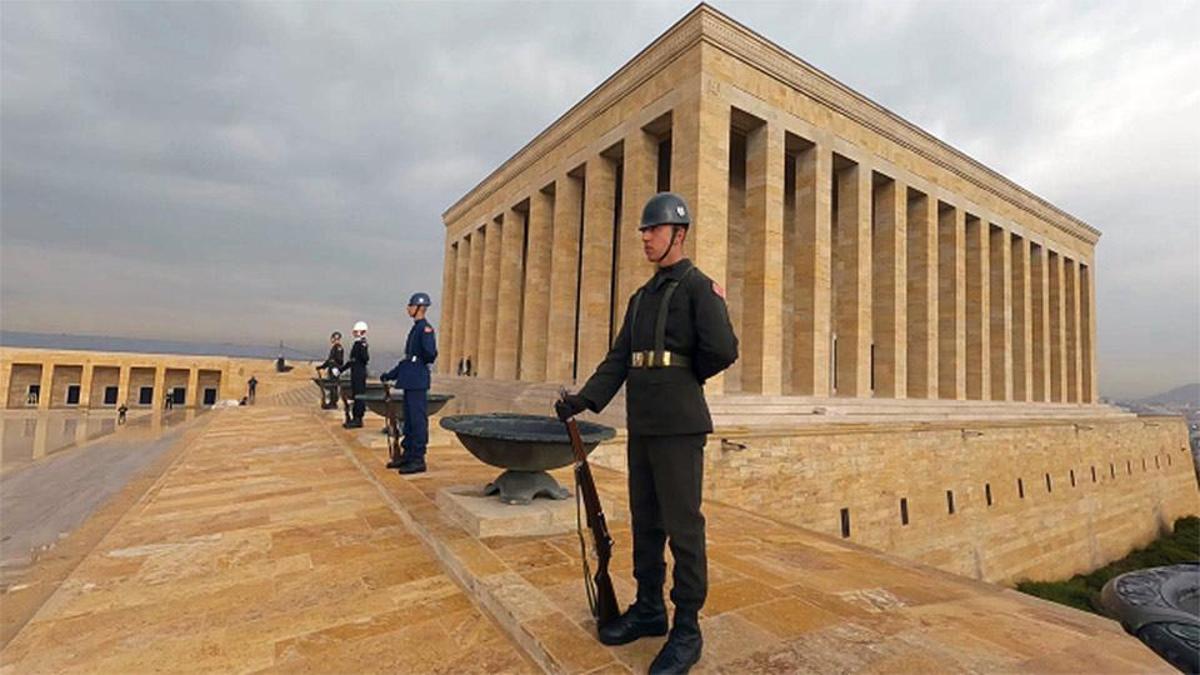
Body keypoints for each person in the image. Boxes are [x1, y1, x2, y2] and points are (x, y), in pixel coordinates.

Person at [556, 192, 738, 674]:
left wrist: (683, 377)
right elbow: (619, 358)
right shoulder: (641, 298)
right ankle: (650, 608)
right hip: (644, 423)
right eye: (643, 230)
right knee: (646, 520)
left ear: (678, 234)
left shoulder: (700, 288)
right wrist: (584, 400)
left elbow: (722, 348)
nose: (645, 237)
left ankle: (687, 627)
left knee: (683, 527)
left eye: (653, 230)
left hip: (680, 424)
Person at [381, 292, 439, 474]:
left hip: (417, 380)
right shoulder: (416, 329)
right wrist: (390, 375)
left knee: (417, 421)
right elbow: (407, 359)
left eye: (411, 305)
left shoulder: (425, 329)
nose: (408, 308)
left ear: (419, 308)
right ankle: (408, 455)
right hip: (410, 380)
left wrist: (416, 363)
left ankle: (418, 458)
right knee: (409, 421)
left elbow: (430, 354)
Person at [343, 321, 370, 428]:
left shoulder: (361, 344)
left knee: (359, 395)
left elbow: (365, 358)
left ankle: (358, 418)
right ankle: (355, 417)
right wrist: (341, 369)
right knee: (356, 395)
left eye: (356, 331)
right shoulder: (357, 343)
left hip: (359, 373)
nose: (354, 333)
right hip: (355, 372)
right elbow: (352, 360)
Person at [316, 331, 345, 409]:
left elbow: (339, 360)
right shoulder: (335, 347)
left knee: (333, 386)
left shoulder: (338, 347)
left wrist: (334, 365)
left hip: (334, 369)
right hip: (332, 368)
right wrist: (323, 366)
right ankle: (332, 402)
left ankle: (333, 403)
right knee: (332, 386)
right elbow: (330, 360)